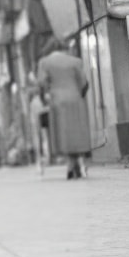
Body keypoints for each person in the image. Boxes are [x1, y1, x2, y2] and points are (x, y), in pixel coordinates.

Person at [35, 37, 92, 179]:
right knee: (76, 132)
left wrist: (44, 97)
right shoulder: (75, 61)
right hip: (76, 98)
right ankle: (76, 163)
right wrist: (80, 95)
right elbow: (84, 83)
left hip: (58, 100)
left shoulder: (45, 62)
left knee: (64, 134)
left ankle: (71, 165)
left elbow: (41, 83)